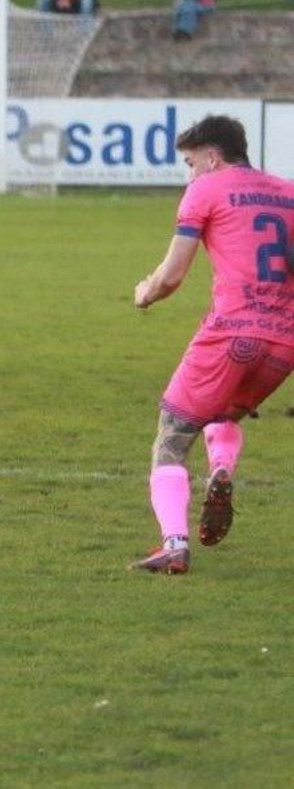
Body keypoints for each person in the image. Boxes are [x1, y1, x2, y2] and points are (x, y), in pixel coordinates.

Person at [129, 115, 294, 575]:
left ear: (212, 157)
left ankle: (175, 544)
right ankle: (221, 467)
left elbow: (173, 275)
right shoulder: (289, 191)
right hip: (283, 343)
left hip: (231, 333)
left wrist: (146, 291)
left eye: (190, 163)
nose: (190, 173)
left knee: (172, 435)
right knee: (223, 413)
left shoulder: (206, 189)